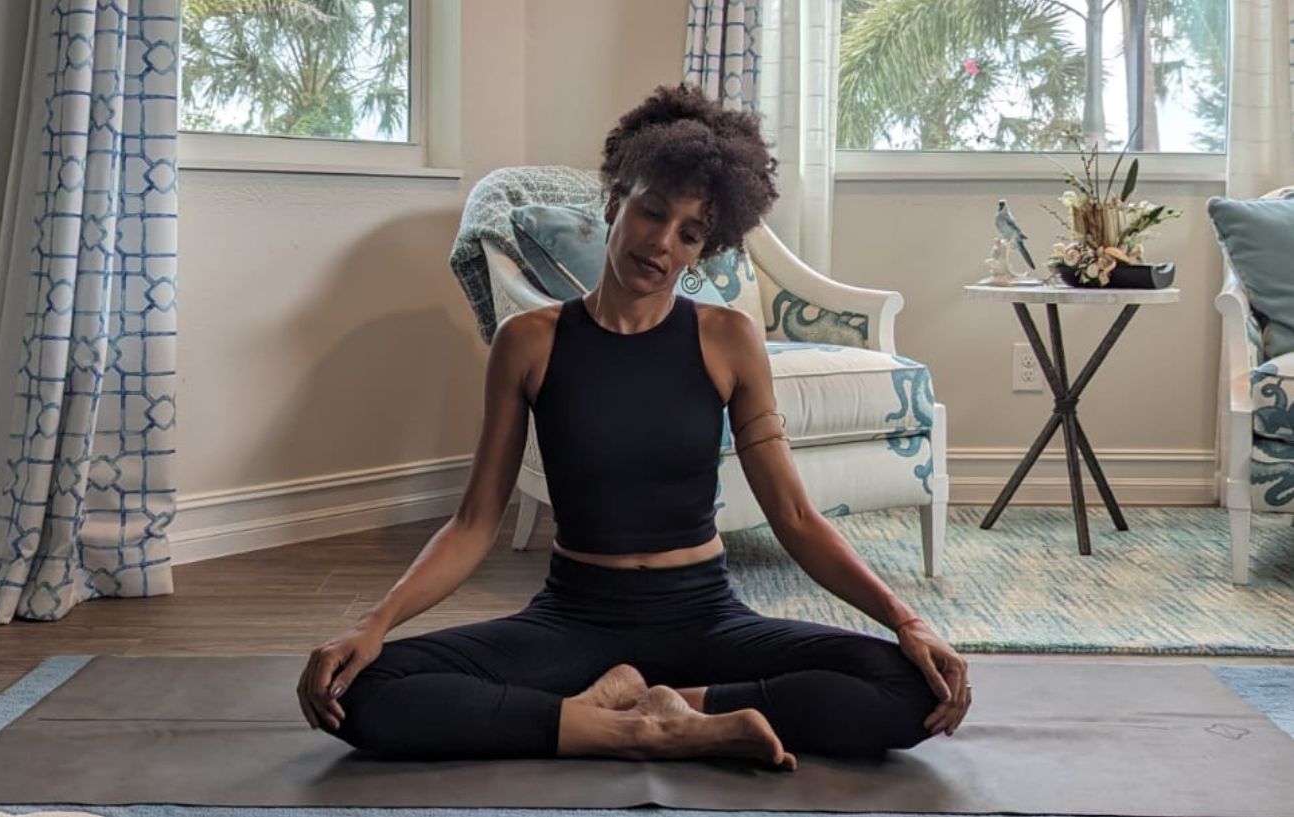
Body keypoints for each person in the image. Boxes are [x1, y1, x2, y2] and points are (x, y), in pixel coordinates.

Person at [297, 83, 971, 771]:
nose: (663, 242)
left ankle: (669, 704)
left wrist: (906, 620)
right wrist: (373, 624)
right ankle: (637, 728)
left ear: (705, 247)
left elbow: (795, 515)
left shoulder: (729, 339)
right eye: (652, 212)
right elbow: (474, 523)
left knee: (910, 686)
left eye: (691, 232)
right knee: (364, 689)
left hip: (705, 613)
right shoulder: (528, 341)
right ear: (615, 202)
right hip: (574, 616)